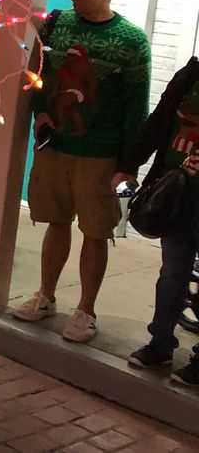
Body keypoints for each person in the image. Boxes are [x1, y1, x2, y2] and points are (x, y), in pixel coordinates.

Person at [12, 0, 151, 344]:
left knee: (95, 231)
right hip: (55, 147)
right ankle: (46, 295)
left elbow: (137, 107)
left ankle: (86, 310)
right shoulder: (57, 23)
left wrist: (128, 165)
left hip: (100, 156)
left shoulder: (130, 40)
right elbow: (38, 74)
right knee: (55, 221)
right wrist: (39, 113)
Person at [115, 57, 199, 386]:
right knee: (172, 276)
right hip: (178, 196)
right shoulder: (190, 75)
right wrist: (128, 165)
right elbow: (158, 124)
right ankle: (160, 345)